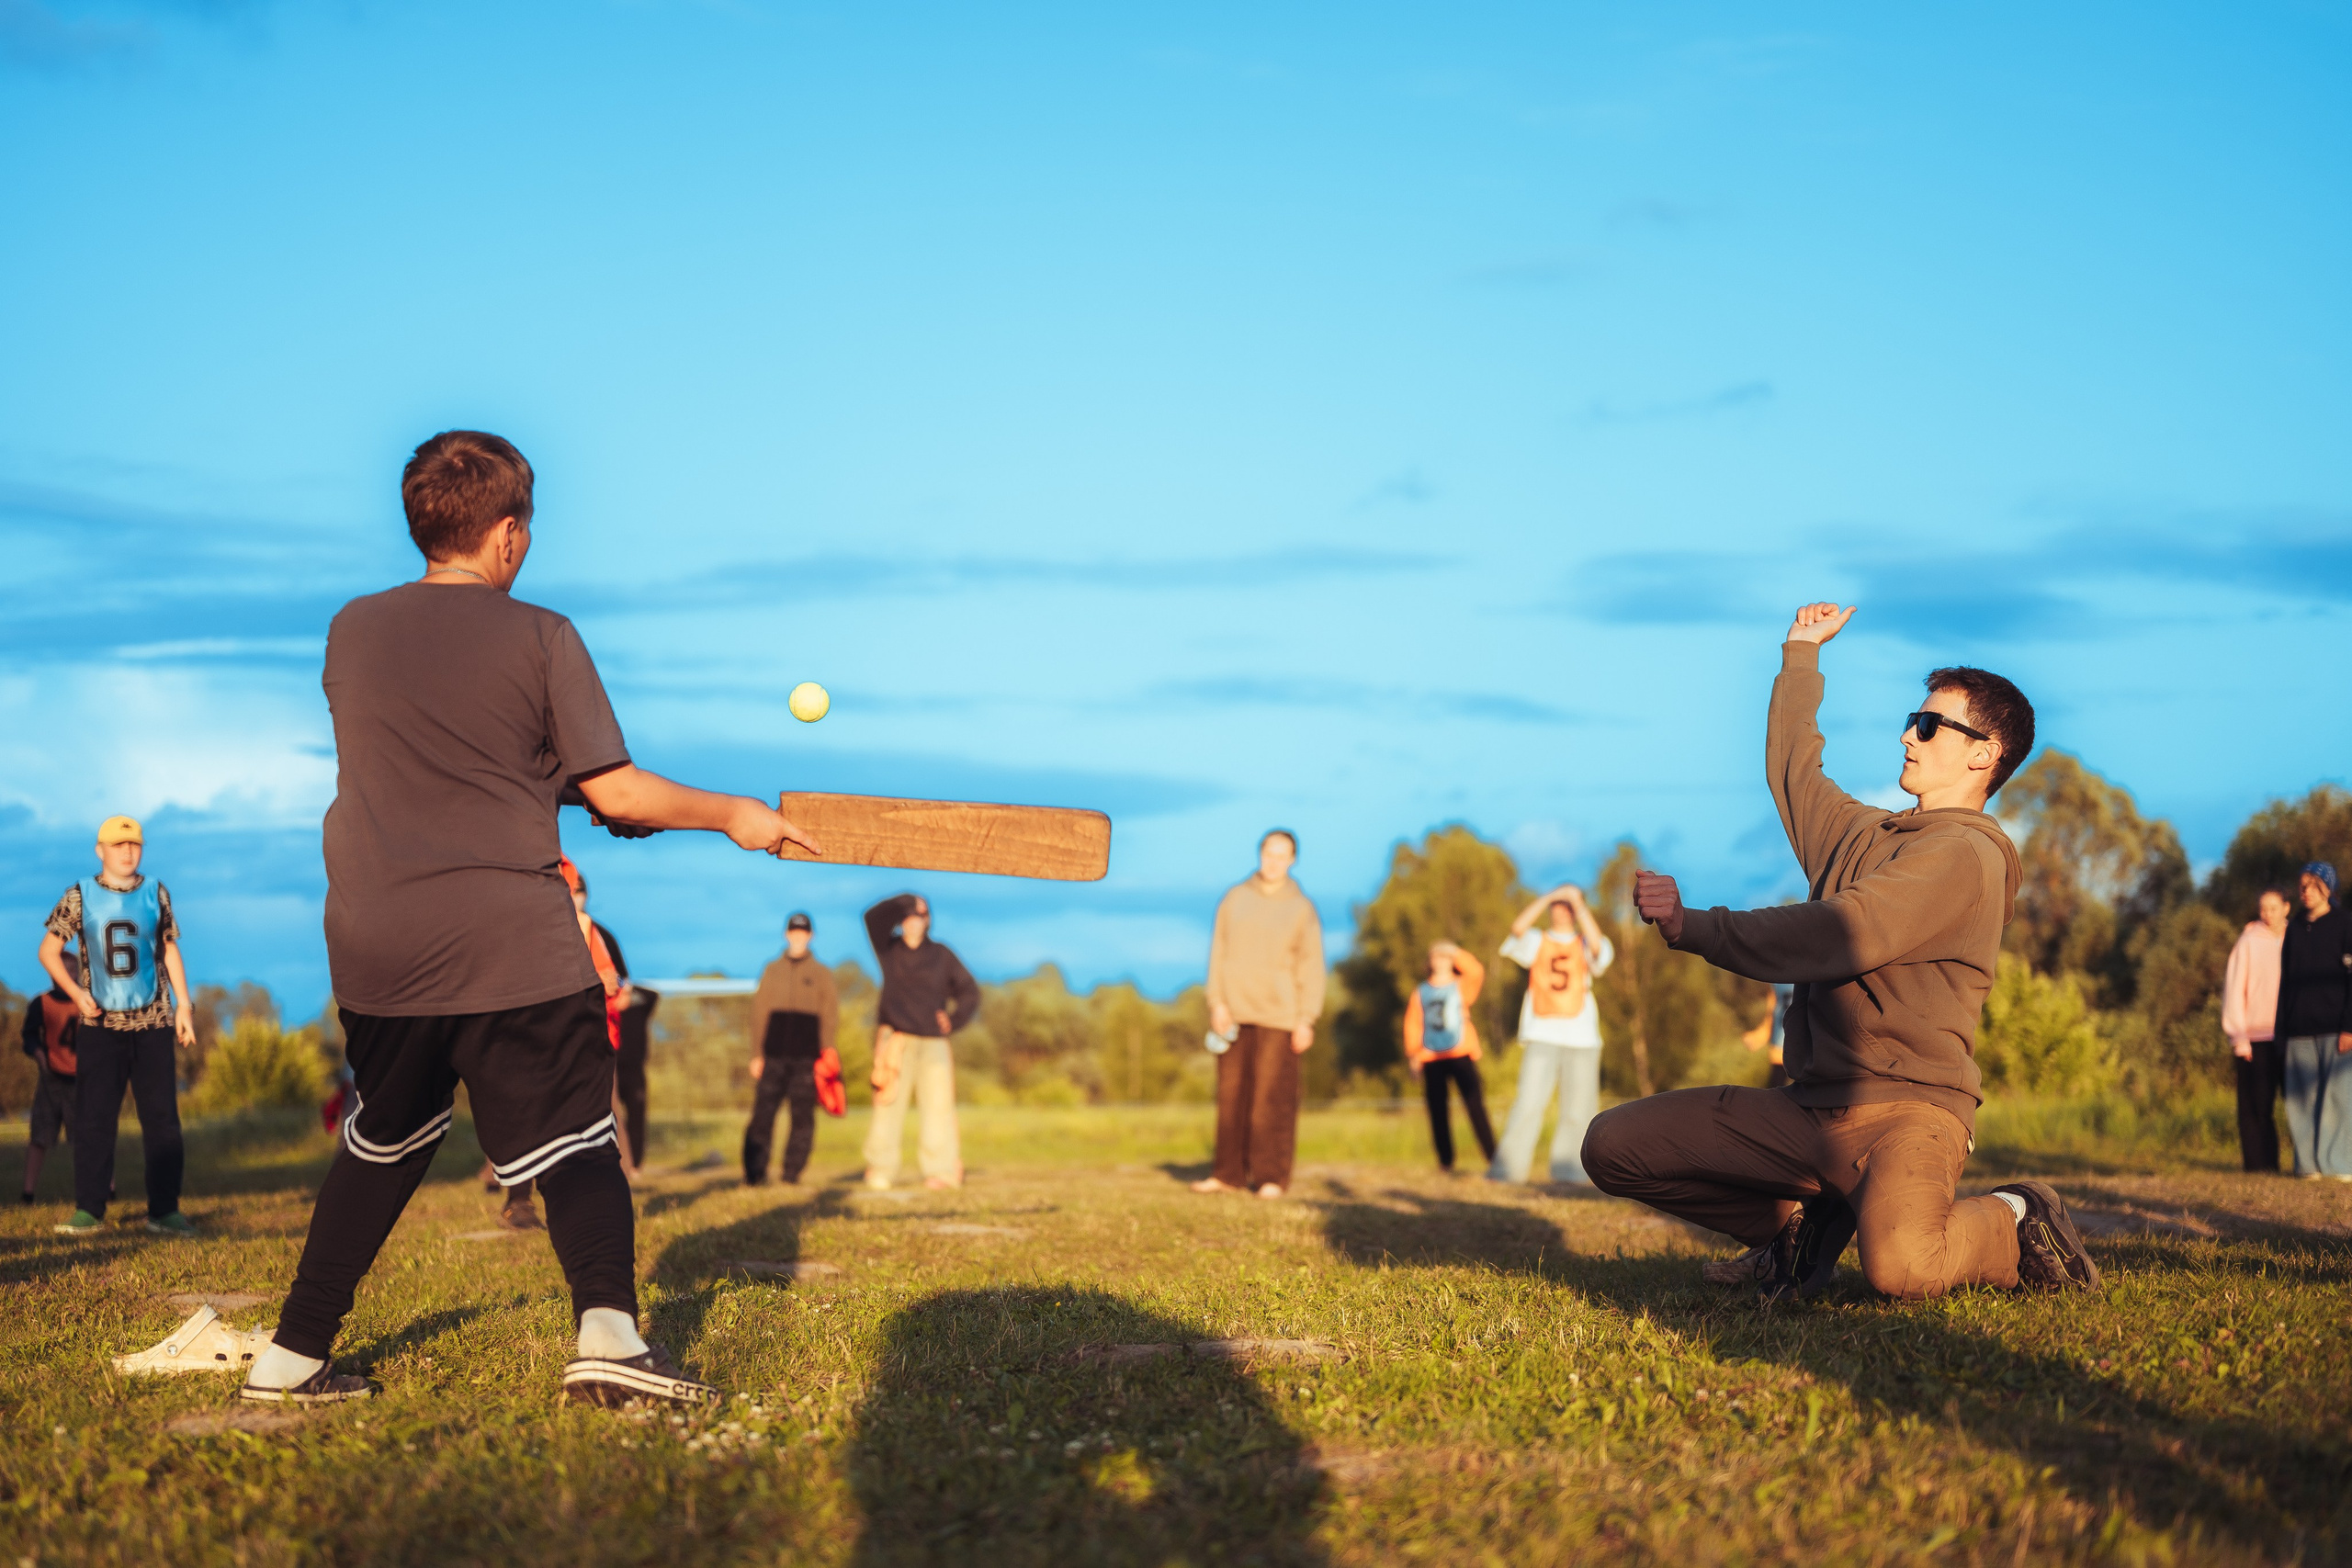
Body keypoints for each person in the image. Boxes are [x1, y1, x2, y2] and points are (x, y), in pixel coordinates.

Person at [239, 430, 818, 1408]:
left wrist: (567, 795)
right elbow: (621, 792)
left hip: (376, 940)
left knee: (386, 1139)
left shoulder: (352, 631)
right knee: (579, 1140)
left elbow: (462, 763)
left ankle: (290, 1358)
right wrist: (734, 817)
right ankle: (610, 1341)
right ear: (508, 535)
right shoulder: (543, 635)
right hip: (503, 933)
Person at [1585, 602, 2102, 1302]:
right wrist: (1802, 652)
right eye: (1912, 721)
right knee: (1614, 1146)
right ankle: (1796, 1233)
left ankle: (2018, 1215)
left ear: (1984, 752)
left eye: (1927, 725)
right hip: (1811, 1112)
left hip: (1911, 1112)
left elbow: (1842, 931)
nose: (1907, 735)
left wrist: (1696, 926)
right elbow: (1795, 772)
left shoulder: (1966, 855)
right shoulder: (1865, 835)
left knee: (1904, 1269)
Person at [39, 817, 198, 1237]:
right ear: (100, 850)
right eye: (118, 844)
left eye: (135, 845)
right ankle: (89, 1210)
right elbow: (49, 950)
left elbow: (168, 949)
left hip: (153, 1022)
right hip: (101, 1024)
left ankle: (164, 1211)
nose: (128, 852)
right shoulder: (79, 895)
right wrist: (76, 995)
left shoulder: (155, 892)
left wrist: (184, 1005)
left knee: (162, 1120)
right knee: (94, 1120)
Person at [1194, 829, 1326, 1201]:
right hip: (1234, 1011)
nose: (1274, 861)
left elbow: (1311, 965)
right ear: (1260, 854)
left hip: (1280, 1015)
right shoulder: (1235, 899)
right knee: (1231, 1096)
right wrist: (1217, 1002)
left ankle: (1271, 1177)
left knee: (1271, 1100)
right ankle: (1227, 1174)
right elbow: (1218, 951)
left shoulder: (1302, 909)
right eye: (1269, 853)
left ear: (1293, 860)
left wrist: (1306, 1018)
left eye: (1282, 855)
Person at [1488, 886, 1614, 1185]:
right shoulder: (1536, 941)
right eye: (1558, 904)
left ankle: (1571, 1174)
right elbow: (1517, 928)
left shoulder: (1588, 940)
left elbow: (1598, 951)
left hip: (1582, 1037)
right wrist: (1550, 895)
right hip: (1541, 1034)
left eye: (1568, 905)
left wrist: (1579, 903)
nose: (1562, 908)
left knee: (1579, 1110)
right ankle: (1507, 1172)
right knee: (1528, 1103)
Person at [863, 893, 980, 1190]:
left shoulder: (941, 955)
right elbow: (872, 918)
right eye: (908, 916)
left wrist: (954, 1020)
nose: (914, 921)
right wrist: (907, 900)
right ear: (901, 921)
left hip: (933, 1043)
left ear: (928, 921)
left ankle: (940, 1171)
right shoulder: (889, 950)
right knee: (887, 1105)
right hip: (896, 1040)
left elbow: (970, 992)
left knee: (939, 1109)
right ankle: (881, 1168)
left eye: (919, 916)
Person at [745, 912, 838, 1185]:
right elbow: (759, 1014)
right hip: (773, 1056)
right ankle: (755, 1173)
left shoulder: (822, 974)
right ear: (787, 934)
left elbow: (830, 1016)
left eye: (804, 932)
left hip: (807, 1059)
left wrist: (826, 1052)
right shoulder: (771, 970)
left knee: (802, 1118)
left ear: (811, 936)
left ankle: (791, 1174)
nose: (798, 937)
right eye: (794, 932)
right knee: (762, 1116)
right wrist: (756, 1054)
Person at [2276, 863, 2352, 1180]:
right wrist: (2282, 1028)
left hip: (2337, 1028)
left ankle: (2338, 1165)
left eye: (2312, 884)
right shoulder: (2293, 928)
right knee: (2301, 1100)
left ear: (2328, 888)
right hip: (2298, 1030)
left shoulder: (2345, 923)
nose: (2304, 890)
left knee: (2338, 1098)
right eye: (2302, 884)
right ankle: (2307, 1166)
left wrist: (2349, 1026)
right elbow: (2286, 981)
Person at [1405, 942, 1494, 1173]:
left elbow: (1476, 971)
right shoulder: (1420, 992)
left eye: (1445, 957)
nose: (1440, 960)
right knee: (1437, 1111)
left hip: (1461, 1053)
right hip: (1431, 1056)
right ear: (1430, 961)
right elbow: (1413, 1024)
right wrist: (1413, 1055)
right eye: (1436, 956)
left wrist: (1454, 950)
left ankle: (1493, 1157)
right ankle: (1446, 1162)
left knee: (1475, 1106)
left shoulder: (1461, 986)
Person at [2222, 887, 2291, 1174]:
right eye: (2263, 908)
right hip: (2255, 1037)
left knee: (2298, 1103)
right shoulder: (2248, 940)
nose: (2267, 914)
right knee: (2256, 1105)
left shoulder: (2297, 936)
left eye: (2274, 908)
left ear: (2286, 908)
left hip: (2292, 1034)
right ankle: (2260, 1165)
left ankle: (2308, 1164)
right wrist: (2238, 1036)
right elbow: (2234, 988)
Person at [17, 960, 83, 1205]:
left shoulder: (86, 999)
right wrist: (41, 1058)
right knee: (40, 1135)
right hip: (52, 1078)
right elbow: (29, 1037)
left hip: (82, 1079)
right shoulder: (42, 1003)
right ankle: (28, 1193)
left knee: (87, 1137)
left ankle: (105, 1188)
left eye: (72, 970)